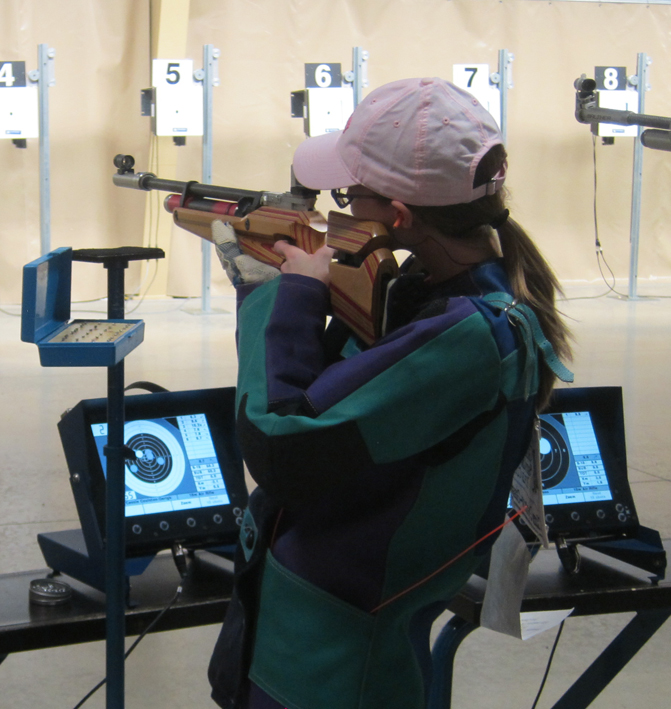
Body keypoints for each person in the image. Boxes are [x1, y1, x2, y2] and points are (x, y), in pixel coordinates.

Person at [206, 77, 573, 709]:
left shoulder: (465, 338)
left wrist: (276, 293)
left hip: (333, 670)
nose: (337, 210)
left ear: (397, 217)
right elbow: (334, 403)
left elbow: (279, 442)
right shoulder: (432, 301)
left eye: (347, 196)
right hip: (313, 637)